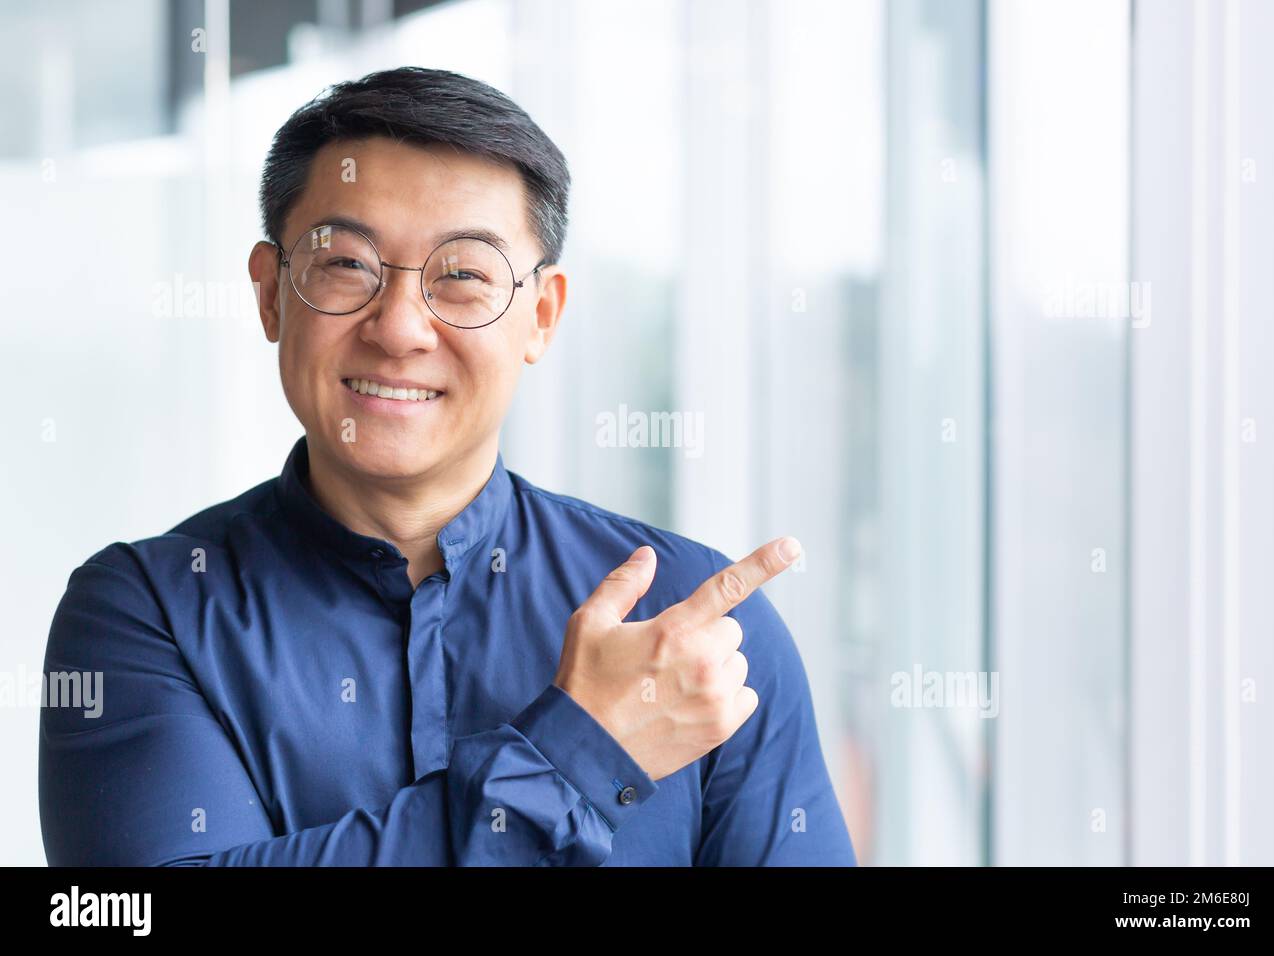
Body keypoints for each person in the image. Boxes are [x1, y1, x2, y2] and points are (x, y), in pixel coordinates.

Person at [38, 66, 857, 867]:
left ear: (540, 317)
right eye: (347, 264)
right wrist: (575, 757)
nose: (398, 329)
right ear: (270, 294)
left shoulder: (693, 630)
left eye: (462, 276)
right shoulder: (147, 614)